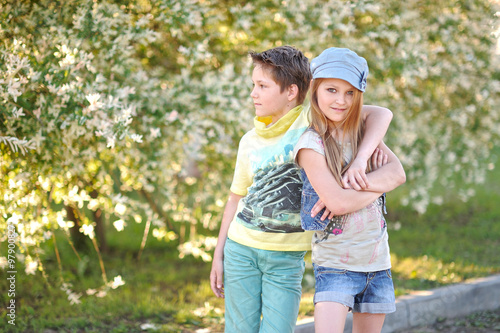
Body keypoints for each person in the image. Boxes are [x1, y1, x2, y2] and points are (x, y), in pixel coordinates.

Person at [210, 45, 394, 333]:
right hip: (240, 248)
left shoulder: (313, 118)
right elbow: (236, 198)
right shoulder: (249, 141)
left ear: (292, 92)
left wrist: (364, 155)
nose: (253, 93)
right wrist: (218, 253)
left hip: (286, 258)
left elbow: (379, 114)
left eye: (261, 86)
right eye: (253, 85)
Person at [294, 47, 406, 333]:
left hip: (377, 262)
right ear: (315, 89)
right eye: (331, 90)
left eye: (350, 93)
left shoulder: (362, 132)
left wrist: (360, 161)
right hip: (335, 266)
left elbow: (397, 173)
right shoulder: (311, 143)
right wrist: (377, 187)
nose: (341, 101)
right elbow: (339, 203)